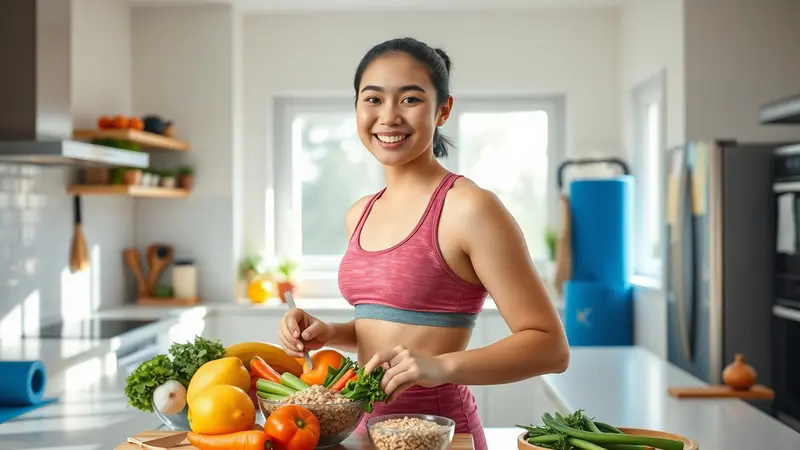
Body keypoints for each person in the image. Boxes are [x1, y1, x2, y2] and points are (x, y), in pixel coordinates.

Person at [278, 37, 569, 450]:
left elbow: (551, 347)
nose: (388, 116)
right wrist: (331, 332)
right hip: (363, 431)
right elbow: (396, 325)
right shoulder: (359, 213)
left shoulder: (470, 208)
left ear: (443, 110)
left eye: (410, 99)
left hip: (441, 434)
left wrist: (440, 366)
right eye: (373, 99)